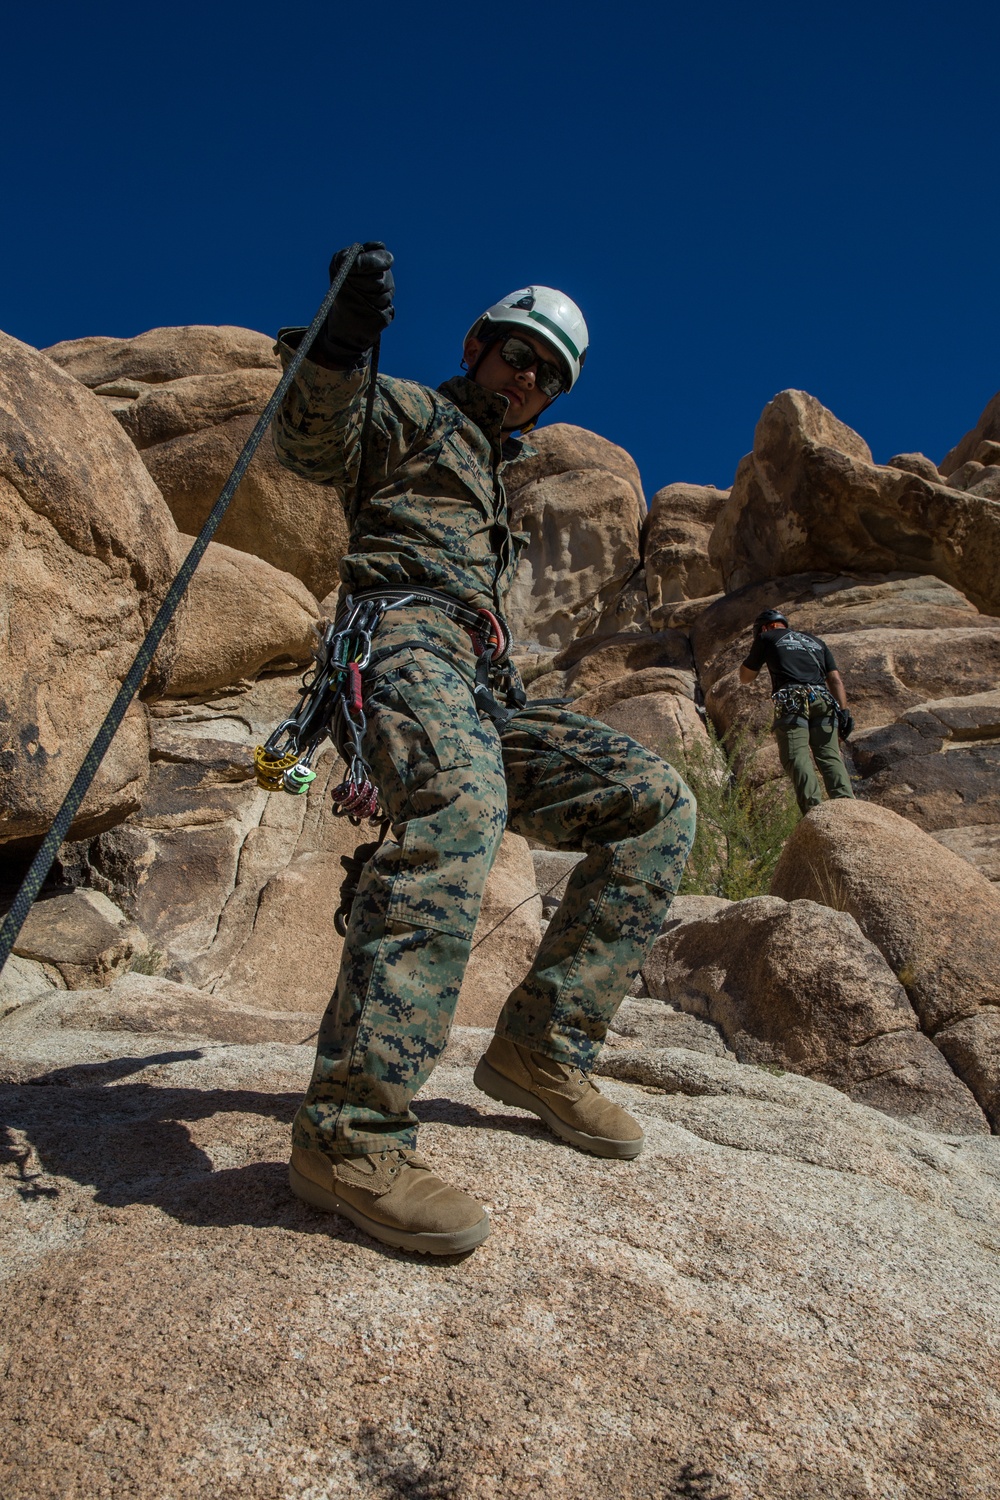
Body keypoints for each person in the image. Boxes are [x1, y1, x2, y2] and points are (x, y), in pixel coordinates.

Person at [270, 242, 696, 1256]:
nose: (528, 379)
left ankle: (541, 1051)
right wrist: (338, 346)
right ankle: (349, 1134)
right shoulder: (413, 411)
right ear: (477, 346)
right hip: (401, 638)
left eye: (547, 374)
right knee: (458, 805)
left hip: (481, 683)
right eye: (517, 355)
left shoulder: (495, 474)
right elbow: (311, 442)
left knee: (655, 802)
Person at [739, 609, 855, 815]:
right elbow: (835, 680)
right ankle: (847, 806)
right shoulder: (816, 641)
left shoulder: (766, 637)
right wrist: (844, 712)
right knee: (829, 755)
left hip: (792, 700)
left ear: (766, 627)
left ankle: (813, 811)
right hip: (824, 700)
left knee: (796, 756)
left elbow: (746, 677)